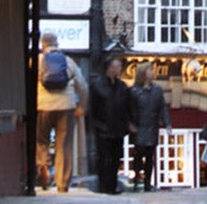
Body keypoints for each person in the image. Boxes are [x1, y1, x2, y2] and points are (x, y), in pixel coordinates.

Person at [37, 33, 84, 192]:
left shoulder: (38, 61)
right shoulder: (68, 61)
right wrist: (82, 105)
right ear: (57, 44)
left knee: (41, 140)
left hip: (42, 105)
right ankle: (62, 183)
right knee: (64, 145)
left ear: (43, 45)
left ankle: (43, 166)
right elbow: (82, 86)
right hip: (66, 106)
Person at [87, 54, 133, 194]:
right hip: (103, 128)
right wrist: (95, 126)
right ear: (108, 68)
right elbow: (92, 108)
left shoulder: (122, 86)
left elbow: (127, 107)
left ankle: (112, 187)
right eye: (116, 66)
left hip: (118, 129)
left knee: (115, 159)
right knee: (103, 159)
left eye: (120, 66)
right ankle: (103, 187)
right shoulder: (97, 86)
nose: (119, 69)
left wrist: (128, 124)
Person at [128, 61, 168, 191]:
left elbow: (162, 108)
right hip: (139, 127)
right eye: (150, 70)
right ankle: (136, 179)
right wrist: (130, 124)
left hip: (152, 126)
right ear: (143, 73)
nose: (153, 72)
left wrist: (167, 123)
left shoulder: (157, 90)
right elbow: (128, 109)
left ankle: (147, 183)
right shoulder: (133, 91)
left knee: (150, 156)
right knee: (139, 155)